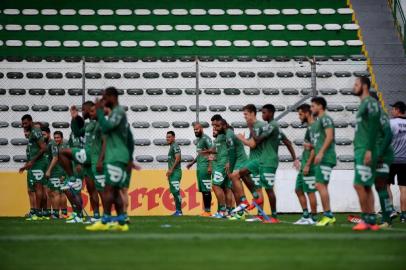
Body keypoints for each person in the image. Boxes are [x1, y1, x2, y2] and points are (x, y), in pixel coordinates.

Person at [86, 87, 131, 231]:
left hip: (116, 156)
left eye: (105, 98)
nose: (104, 101)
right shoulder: (115, 113)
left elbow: (106, 128)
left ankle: (104, 220)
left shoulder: (118, 112)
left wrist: (99, 110)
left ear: (113, 97)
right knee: (115, 190)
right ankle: (121, 222)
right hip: (115, 155)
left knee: (108, 189)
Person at [351, 77, 380, 231]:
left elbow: (375, 125)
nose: (353, 87)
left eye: (356, 84)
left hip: (365, 150)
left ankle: (366, 219)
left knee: (359, 185)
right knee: (367, 186)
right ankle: (371, 221)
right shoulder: (364, 104)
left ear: (364, 86)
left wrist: (369, 149)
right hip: (361, 149)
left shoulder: (370, 103)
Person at [310, 97, 337, 226]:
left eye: (313, 106)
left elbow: (330, 136)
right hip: (323, 158)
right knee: (321, 185)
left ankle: (328, 215)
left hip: (326, 157)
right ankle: (328, 215)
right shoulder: (319, 121)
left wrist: (320, 153)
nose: (311, 109)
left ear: (320, 106)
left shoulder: (325, 119)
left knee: (320, 185)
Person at [19, 114, 47, 221]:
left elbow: (43, 148)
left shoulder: (35, 131)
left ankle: (37, 213)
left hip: (38, 164)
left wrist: (33, 161)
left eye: (25, 123)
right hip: (34, 164)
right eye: (22, 124)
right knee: (35, 188)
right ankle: (38, 213)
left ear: (31, 122)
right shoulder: (32, 132)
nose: (24, 125)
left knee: (38, 188)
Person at [294, 104, 318, 225]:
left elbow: (315, 148)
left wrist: (308, 164)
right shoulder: (309, 128)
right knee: (298, 190)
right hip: (304, 164)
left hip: (310, 165)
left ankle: (313, 219)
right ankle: (305, 215)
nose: (299, 117)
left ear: (307, 113)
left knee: (310, 191)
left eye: (300, 114)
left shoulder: (314, 127)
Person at [186, 122, 213, 217]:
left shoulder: (206, 139)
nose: (195, 131)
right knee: (203, 190)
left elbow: (212, 152)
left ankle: (208, 211)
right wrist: (192, 163)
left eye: (197, 129)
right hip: (200, 167)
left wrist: (210, 166)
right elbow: (200, 154)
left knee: (206, 189)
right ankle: (206, 210)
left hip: (205, 167)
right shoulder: (199, 140)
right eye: (194, 130)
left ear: (201, 128)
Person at [389, 101, 406, 222]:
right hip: (405, 160)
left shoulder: (391, 123)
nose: (392, 111)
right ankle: (404, 215)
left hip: (392, 159)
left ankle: (391, 209)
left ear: (398, 110)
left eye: (393, 109)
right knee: (403, 188)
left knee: (385, 184)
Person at [45, 131, 68, 219]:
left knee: (56, 193)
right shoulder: (57, 146)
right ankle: (64, 213)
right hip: (61, 172)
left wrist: (64, 174)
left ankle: (56, 214)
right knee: (61, 193)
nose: (56, 139)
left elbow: (66, 160)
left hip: (59, 172)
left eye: (58, 137)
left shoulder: (63, 146)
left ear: (62, 138)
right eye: (55, 138)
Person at [166, 131, 183, 216]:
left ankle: (179, 211)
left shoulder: (175, 146)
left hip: (175, 172)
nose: (167, 138)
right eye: (167, 137)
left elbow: (178, 158)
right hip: (172, 172)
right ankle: (178, 210)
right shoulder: (171, 146)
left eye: (169, 137)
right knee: (174, 191)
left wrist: (171, 169)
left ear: (173, 137)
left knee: (176, 192)